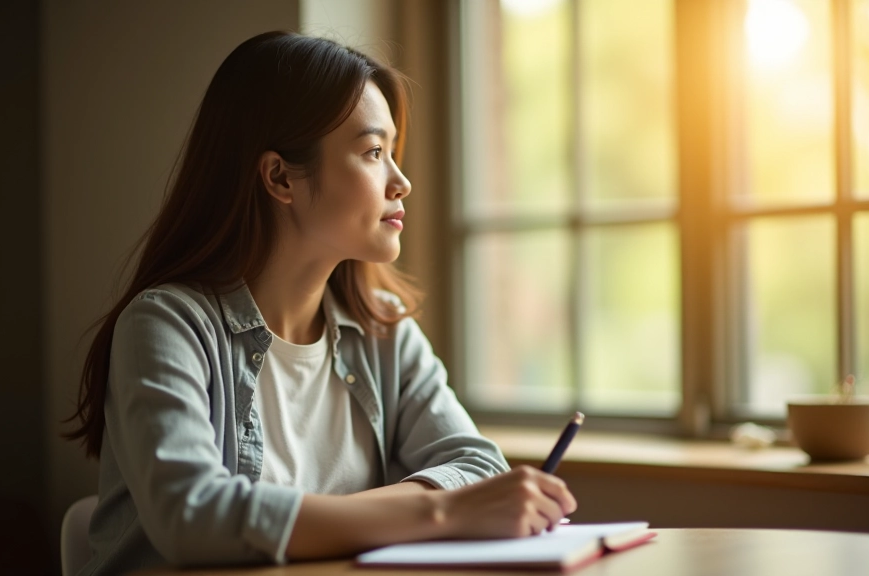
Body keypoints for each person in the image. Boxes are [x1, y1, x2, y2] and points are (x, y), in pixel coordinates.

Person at [64, 31, 576, 575]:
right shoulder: (166, 326)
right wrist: (438, 509)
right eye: (374, 152)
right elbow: (193, 517)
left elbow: (477, 465)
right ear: (280, 177)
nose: (401, 182)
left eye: (392, 154)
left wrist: (428, 507)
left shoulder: (384, 332)